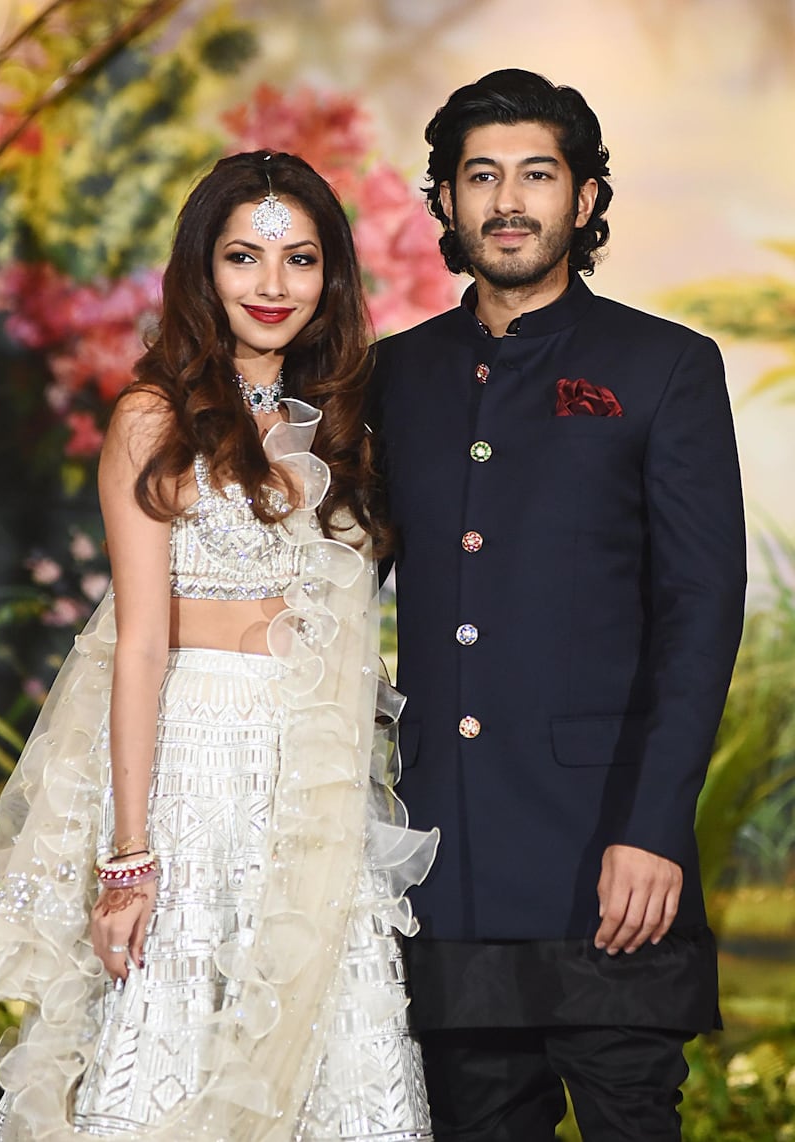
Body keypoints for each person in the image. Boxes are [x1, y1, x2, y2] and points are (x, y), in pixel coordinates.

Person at [0, 150, 438, 1141]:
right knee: (176, 1034)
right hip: (194, 759)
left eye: (299, 259)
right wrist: (128, 859)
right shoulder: (153, 417)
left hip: (316, 771)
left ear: (331, 277)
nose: (271, 286)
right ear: (204, 270)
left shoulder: (348, 429)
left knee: (330, 1033)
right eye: (244, 257)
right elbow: (141, 644)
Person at [370, 69, 746, 1141]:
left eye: (536, 173)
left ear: (583, 199)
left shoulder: (663, 365)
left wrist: (653, 827)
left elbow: (698, 606)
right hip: (451, 867)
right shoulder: (393, 378)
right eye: (478, 176)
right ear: (443, 201)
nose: (507, 201)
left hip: (607, 862)